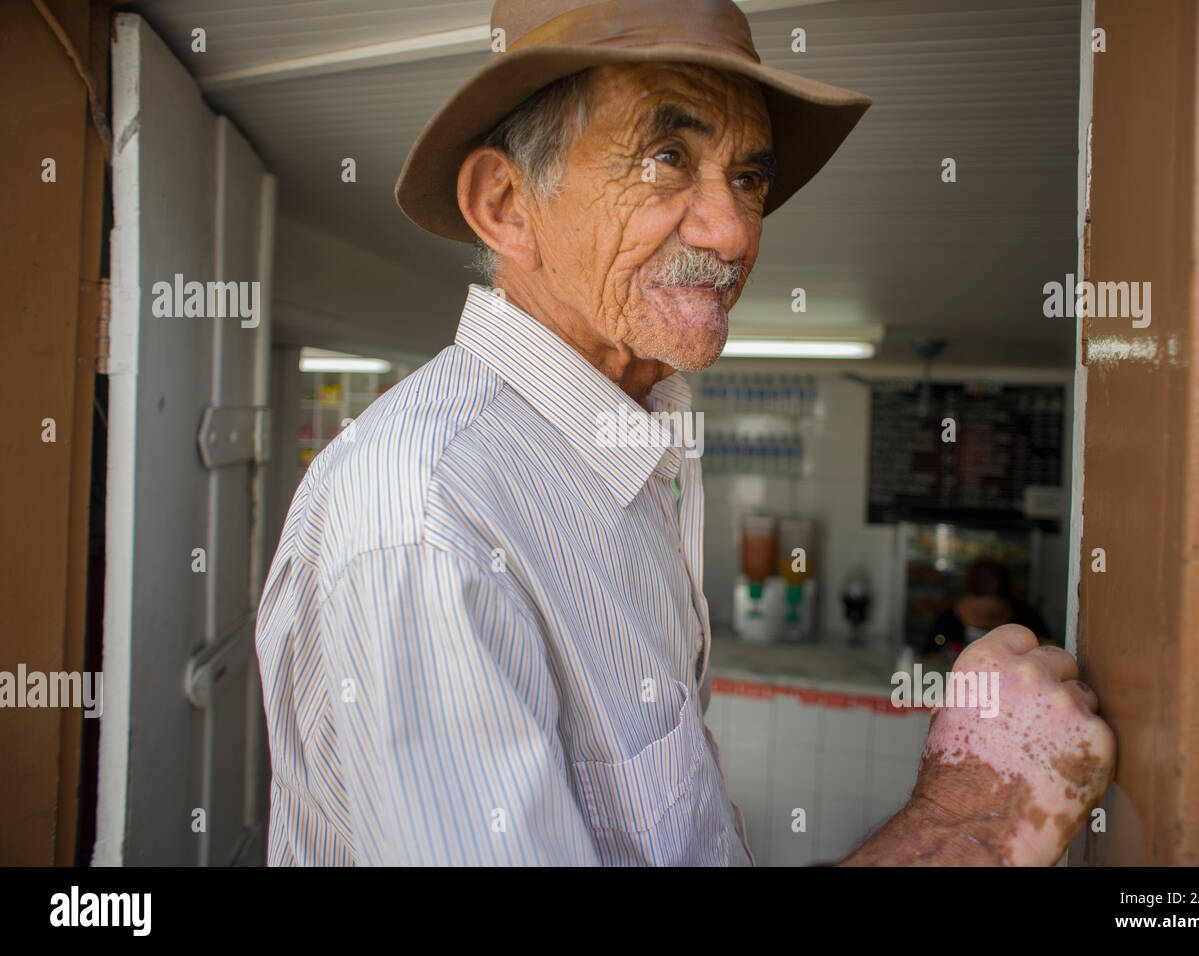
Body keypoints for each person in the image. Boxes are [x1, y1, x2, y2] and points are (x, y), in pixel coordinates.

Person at [254, 0, 1115, 866]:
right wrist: (965, 824)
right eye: (667, 158)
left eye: (748, 178)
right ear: (507, 205)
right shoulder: (431, 510)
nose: (736, 231)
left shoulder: (635, 445)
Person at [918, 558, 1057, 666]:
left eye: (993, 616)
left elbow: (1053, 653)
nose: (983, 620)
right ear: (964, 601)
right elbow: (926, 659)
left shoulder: (1027, 619)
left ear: (1009, 605)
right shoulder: (947, 621)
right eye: (976, 613)